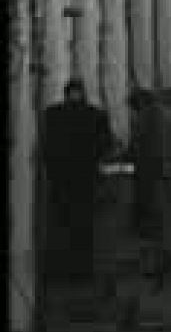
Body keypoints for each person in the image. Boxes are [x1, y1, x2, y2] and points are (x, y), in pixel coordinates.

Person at [41, 79, 115, 280]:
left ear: (66, 94)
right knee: (84, 227)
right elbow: (106, 144)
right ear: (83, 93)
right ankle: (83, 271)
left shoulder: (52, 115)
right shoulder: (95, 114)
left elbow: (45, 147)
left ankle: (62, 270)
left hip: (61, 181)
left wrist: (53, 170)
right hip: (86, 180)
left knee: (62, 224)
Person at [128, 88, 171, 272]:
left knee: (157, 220)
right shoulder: (166, 114)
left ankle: (161, 259)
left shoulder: (149, 119)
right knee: (166, 217)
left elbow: (142, 147)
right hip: (168, 171)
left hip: (155, 175)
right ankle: (169, 254)